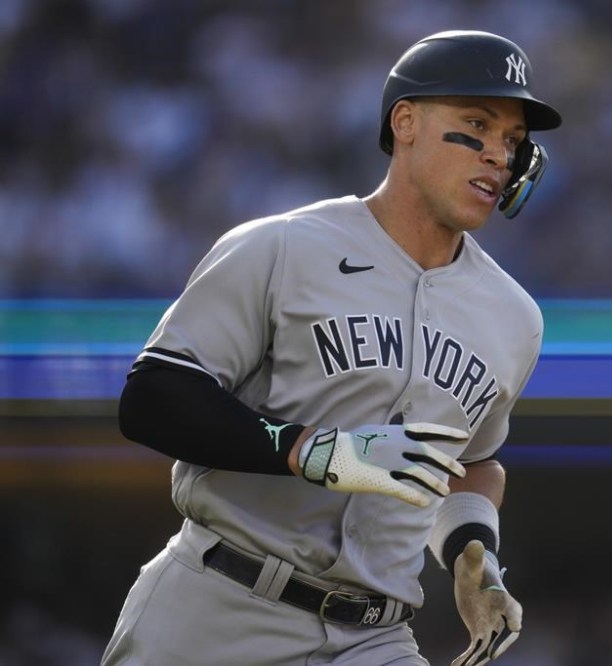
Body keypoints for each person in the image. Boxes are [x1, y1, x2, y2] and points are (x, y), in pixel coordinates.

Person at [101, 29, 561, 666]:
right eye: (477, 125)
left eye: (512, 140)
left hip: (376, 637)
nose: (497, 155)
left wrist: (471, 557)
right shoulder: (283, 246)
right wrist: (315, 450)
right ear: (405, 122)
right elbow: (153, 397)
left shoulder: (514, 317)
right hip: (221, 604)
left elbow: (472, 463)